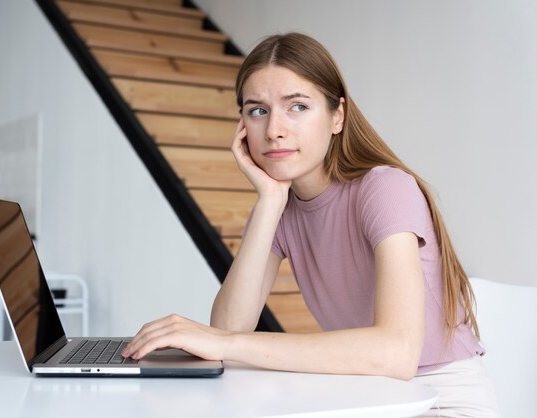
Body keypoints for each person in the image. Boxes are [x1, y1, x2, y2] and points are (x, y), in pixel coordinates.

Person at [122, 32, 500, 417]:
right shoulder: (279, 208)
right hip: (366, 394)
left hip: (442, 399)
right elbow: (229, 325)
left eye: (297, 107)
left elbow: (396, 354)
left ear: (337, 116)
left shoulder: (385, 189)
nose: (274, 130)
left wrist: (226, 343)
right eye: (257, 111)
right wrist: (270, 200)